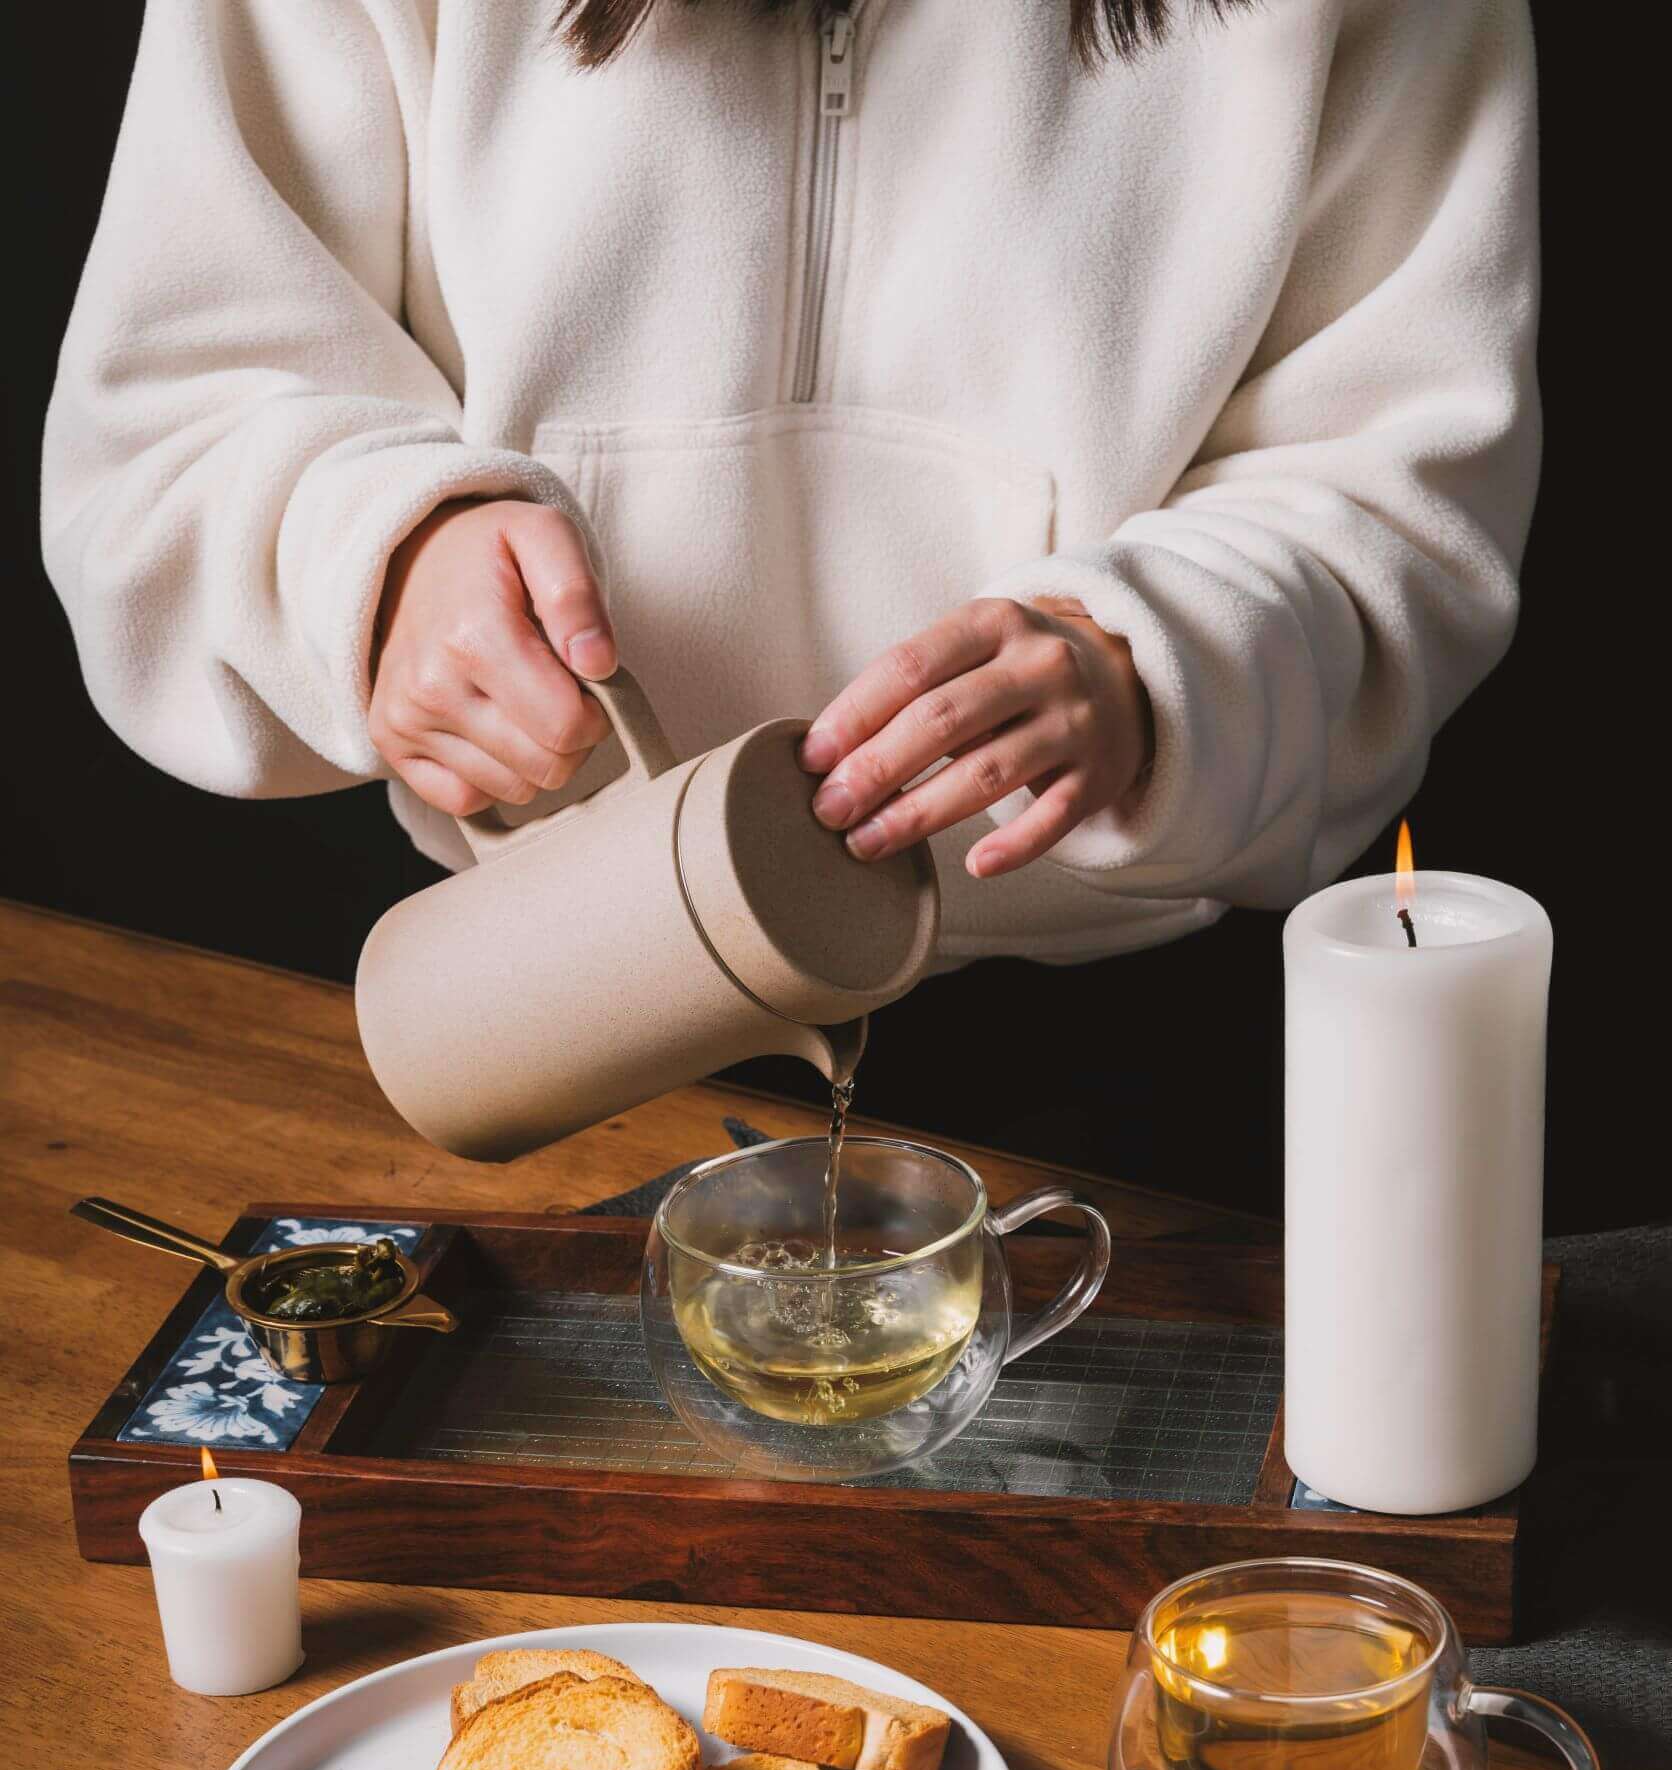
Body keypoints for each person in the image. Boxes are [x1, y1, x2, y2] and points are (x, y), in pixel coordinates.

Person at [44, 0, 1537, 1197]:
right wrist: (373, 559)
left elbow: (1407, 493)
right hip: (518, 1015)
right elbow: (168, 421)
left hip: (1134, 1075)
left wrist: (1153, 664)